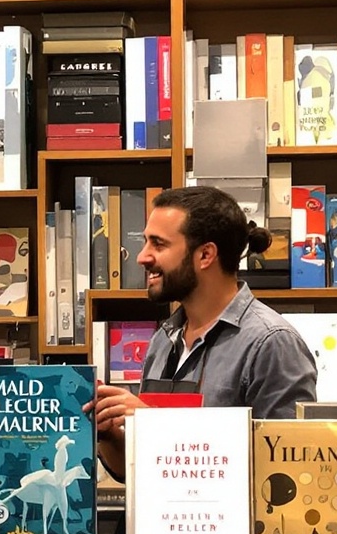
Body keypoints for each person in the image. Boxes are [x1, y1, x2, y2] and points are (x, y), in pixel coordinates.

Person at [92, 186, 319, 474]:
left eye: (158, 244)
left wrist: (152, 423)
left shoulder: (271, 343)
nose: (142, 257)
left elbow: (285, 470)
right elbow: (144, 471)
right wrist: (111, 434)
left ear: (205, 255)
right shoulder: (164, 338)